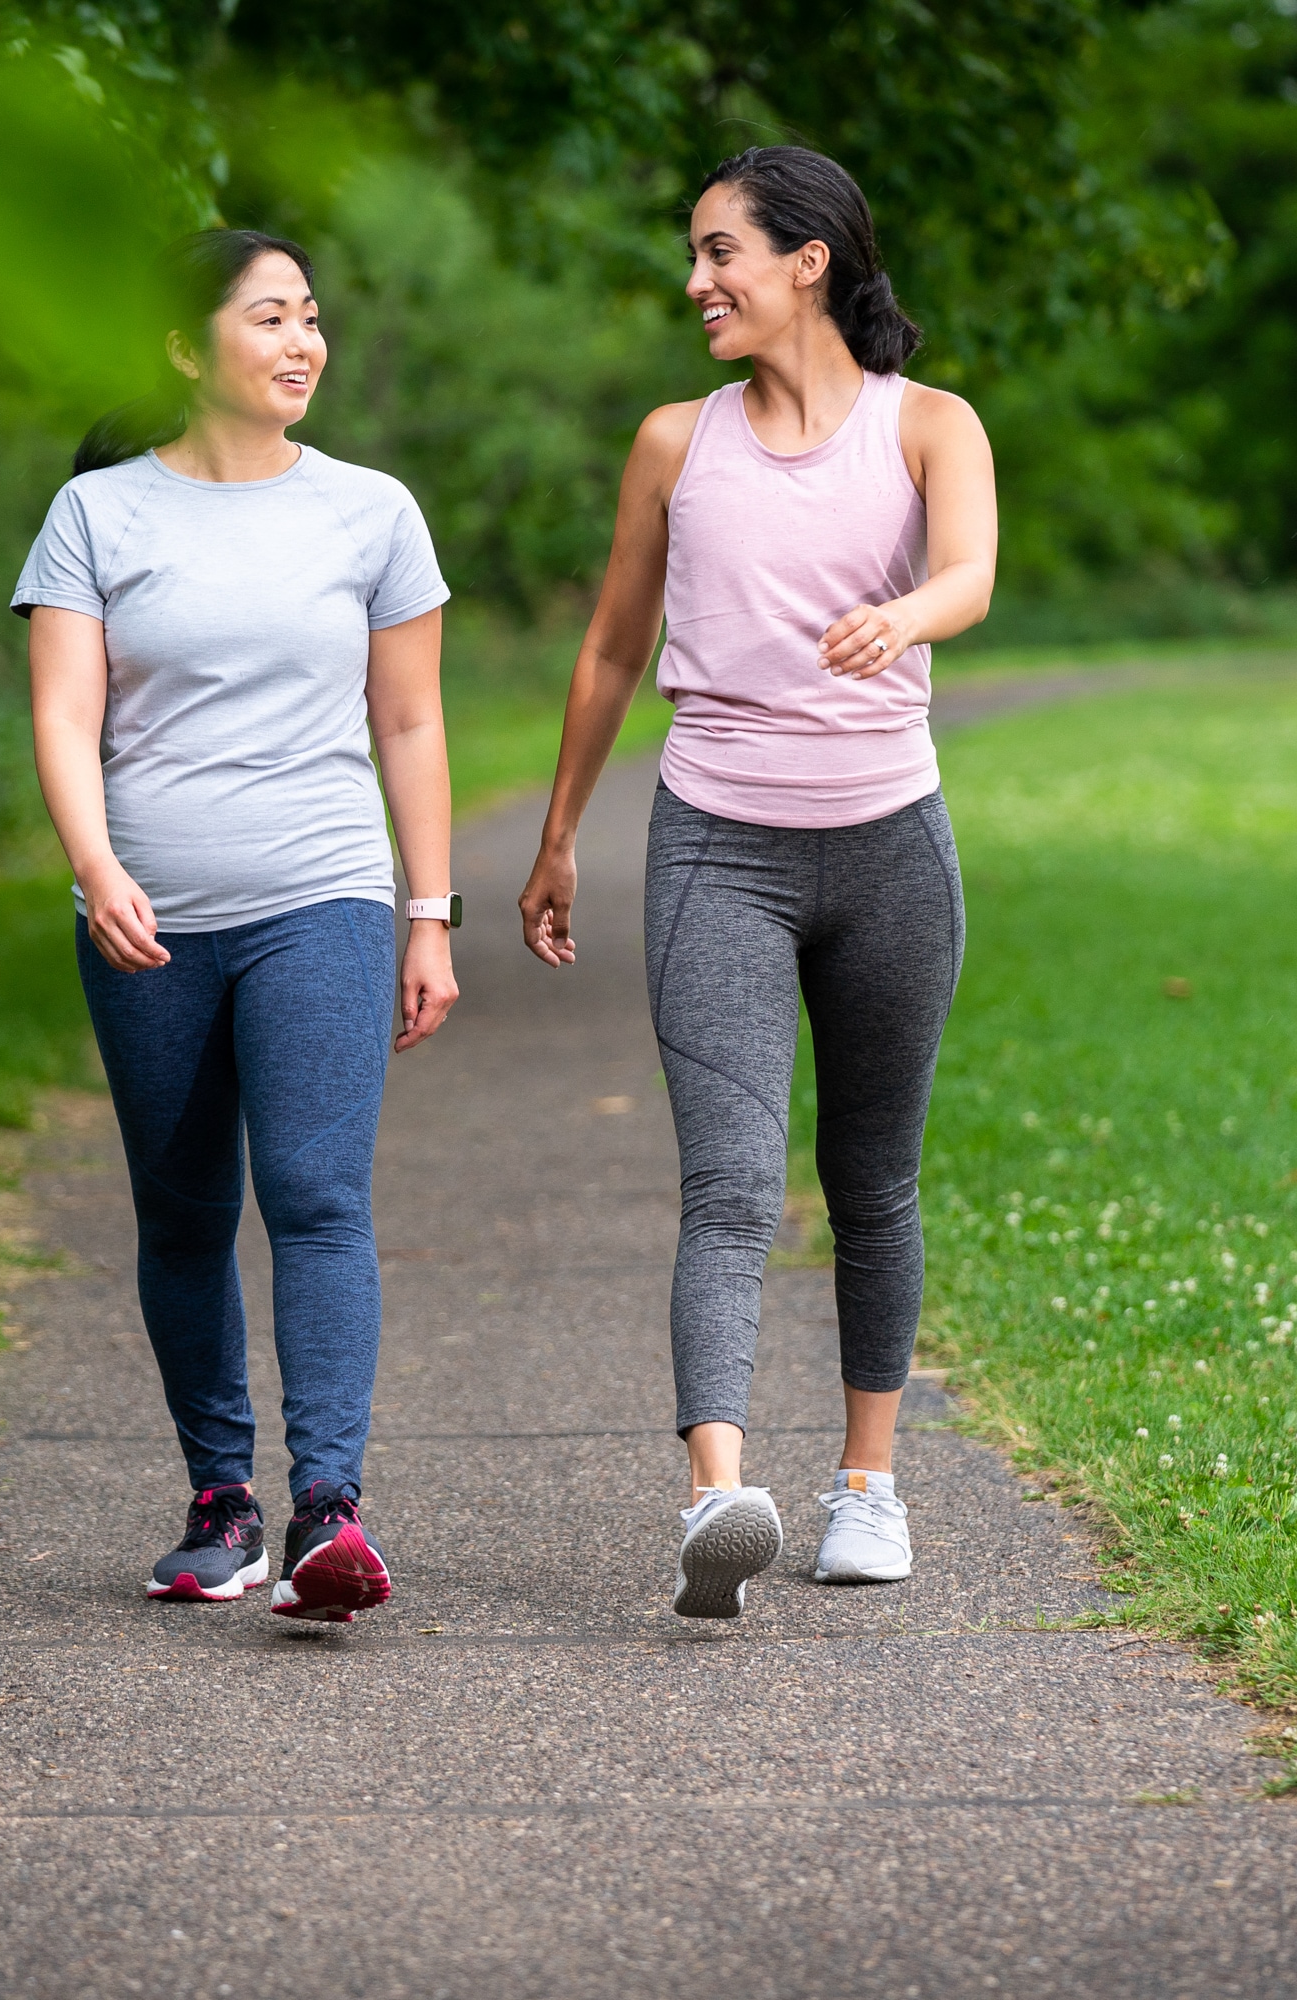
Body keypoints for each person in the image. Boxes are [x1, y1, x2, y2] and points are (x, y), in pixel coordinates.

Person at [515, 147, 997, 1618]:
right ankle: (718, 1498)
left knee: (872, 1184)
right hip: (716, 845)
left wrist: (900, 615)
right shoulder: (676, 440)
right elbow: (610, 648)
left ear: (809, 261)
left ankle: (869, 1489)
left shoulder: (932, 426)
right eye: (693, 253)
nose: (695, 282)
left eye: (719, 251)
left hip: (890, 847)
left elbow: (970, 578)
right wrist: (556, 834)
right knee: (726, 1187)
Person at [14, 230, 460, 1622]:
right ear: (181, 346)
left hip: (318, 894)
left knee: (318, 1197)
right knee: (185, 1212)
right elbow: (66, 713)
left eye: (311, 318)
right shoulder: (97, 516)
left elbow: (409, 718)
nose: (301, 343)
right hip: (148, 914)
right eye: (270, 318)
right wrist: (95, 867)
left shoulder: (371, 511)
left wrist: (427, 912)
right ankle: (223, 1503)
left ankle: (331, 1508)